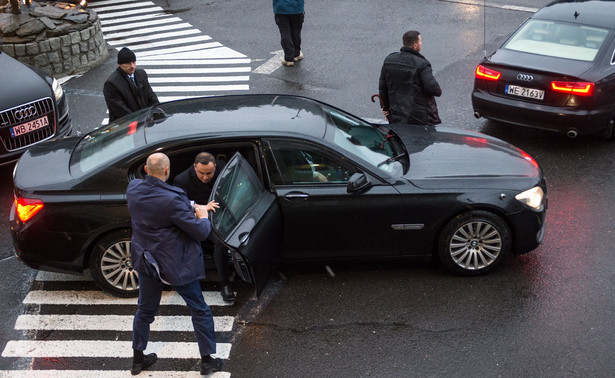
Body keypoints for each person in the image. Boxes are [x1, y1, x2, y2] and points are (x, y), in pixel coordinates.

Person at [126, 153, 222, 376]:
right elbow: (199, 232)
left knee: (145, 310)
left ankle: (138, 360)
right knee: (199, 309)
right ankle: (207, 361)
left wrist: (191, 204)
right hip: (174, 264)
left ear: (146, 170)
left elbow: (163, 202)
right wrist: (202, 215)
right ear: (168, 171)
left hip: (146, 260)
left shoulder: (134, 189)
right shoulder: (171, 200)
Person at [173, 152, 236, 302]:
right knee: (220, 241)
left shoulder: (222, 168)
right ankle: (225, 284)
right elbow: (180, 207)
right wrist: (202, 208)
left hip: (223, 213)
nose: (206, 177)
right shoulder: (181, 180)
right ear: (195, 167)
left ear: (215, 167)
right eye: (201, 173)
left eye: (209, 173)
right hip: (197, 218)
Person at [378, 30, 442, 126]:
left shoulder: (389, 60)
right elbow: (434, 89)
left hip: (397, 116)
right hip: (420, 118)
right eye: (420, 41)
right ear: (415, 45)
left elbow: (383, 87)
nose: (421, 43)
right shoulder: (422, 64)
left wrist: (385, 107)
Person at [103, 47, 159, 122]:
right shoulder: (111, 84)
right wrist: (140, 121)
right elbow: (122, 111)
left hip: (145, 120)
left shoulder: (141, 74)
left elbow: (151, 96)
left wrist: (156, 111)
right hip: (125, 126)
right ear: (120, 64)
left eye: (133, 62)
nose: (132, 66)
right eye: (128, 63)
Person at [273, 0, 305, 67]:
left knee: (285, 32)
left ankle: (289, 58)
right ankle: (296, 54)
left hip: (281, 8)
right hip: (297, 7)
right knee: (296, 31)